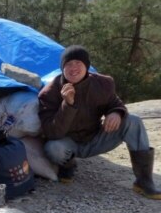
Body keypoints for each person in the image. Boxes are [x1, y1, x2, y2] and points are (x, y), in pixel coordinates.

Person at [38, 45, 160, 199]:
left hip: (95, 138)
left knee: (133, 121)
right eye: (68, 64)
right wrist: (67, 105)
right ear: (62, 67)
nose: (73, 68)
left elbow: (116, 103)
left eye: (78, 63)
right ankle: (68, 166)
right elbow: (52, 132)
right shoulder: (49, 93)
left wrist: (116, 112)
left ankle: (144, 181)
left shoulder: (103, 84)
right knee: (53, 148)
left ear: (87, 67)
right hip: (67, 143)